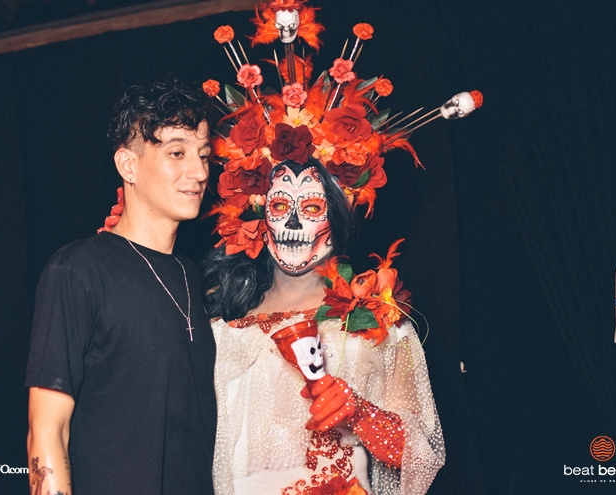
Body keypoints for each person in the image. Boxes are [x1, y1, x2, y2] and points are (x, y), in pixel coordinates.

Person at [203, 158, 444, 495]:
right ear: (260, 213)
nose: (293, 221)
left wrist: (360, 413)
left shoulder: (378, 325)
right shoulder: (219, 329)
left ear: (339, 213)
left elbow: (419, 459)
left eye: (313, 207)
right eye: (280, 205)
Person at [25, 81, 217, 495]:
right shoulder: (77, 270)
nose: (200, 172)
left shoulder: (192, 276)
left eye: (203, 155)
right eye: (177, 153)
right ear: (128, 166)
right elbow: (48, 430)